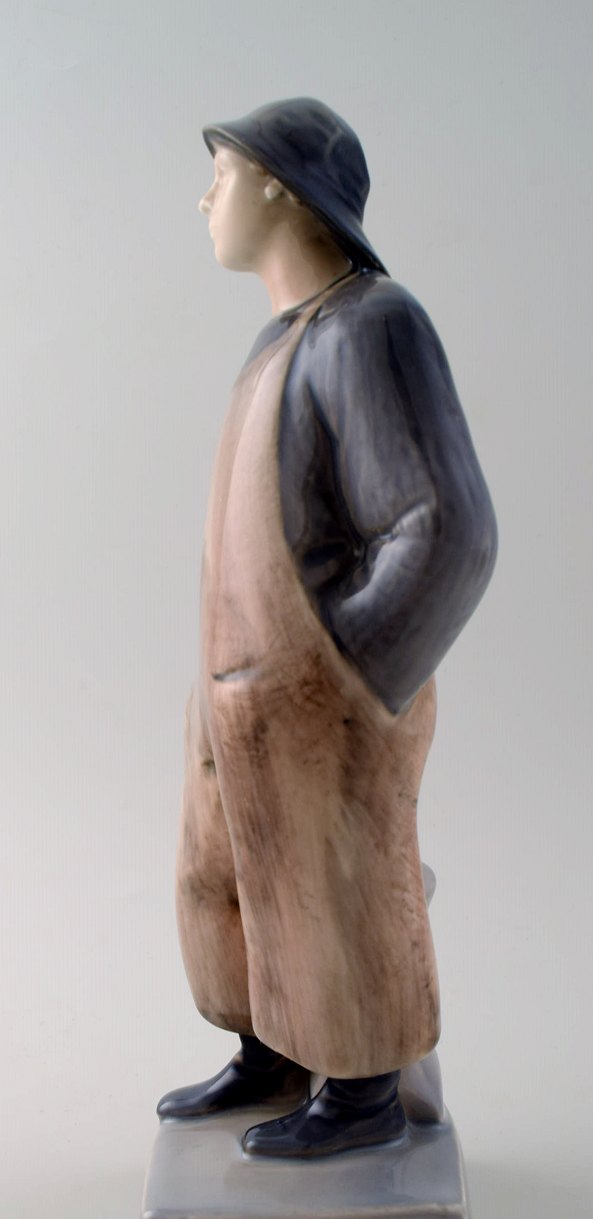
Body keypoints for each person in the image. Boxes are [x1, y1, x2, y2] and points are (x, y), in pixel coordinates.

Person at [157, 98, 498, 1158]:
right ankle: (272, 1045)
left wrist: (348, 671)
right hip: (240, 693)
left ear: (276, 184)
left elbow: (445, 527)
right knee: (226, 874)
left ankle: (360, 1090)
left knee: (333, 882)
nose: (204, 199)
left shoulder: (372, 325)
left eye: (220, 175)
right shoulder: (281, 339)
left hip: (321, 694)